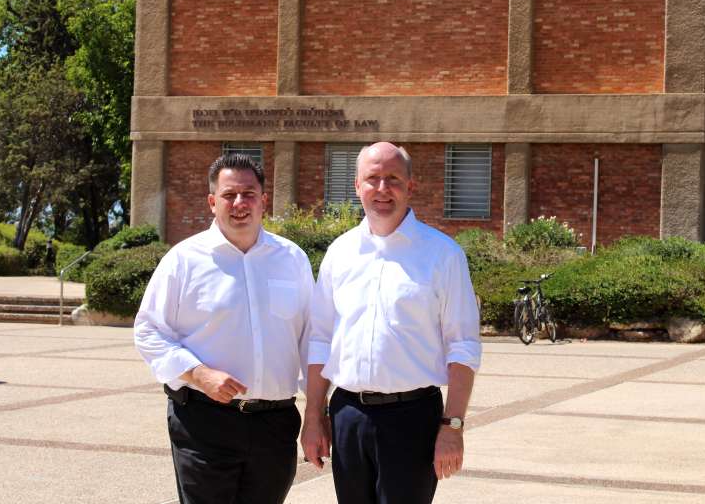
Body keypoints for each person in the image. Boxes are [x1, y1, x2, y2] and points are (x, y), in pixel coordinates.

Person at [301, 142, 482, 504]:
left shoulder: (442, 254)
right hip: (347, 414)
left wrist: (453, 426)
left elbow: (463, 345)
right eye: (372, 179)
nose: (382, 189)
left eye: (393, 179)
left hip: (412, 419)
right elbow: (321, 339)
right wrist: (313, 416)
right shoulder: (340, 253)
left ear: (410, 186)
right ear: (357, 186)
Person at [134, 153, 314, 504]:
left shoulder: (292, 260)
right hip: (205, 421)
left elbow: (310, 339)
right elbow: (148, 331)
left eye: (248, 194)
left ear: (264, 200)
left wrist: (318, 412)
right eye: (229, 195)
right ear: (212, 201)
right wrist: (198, 374)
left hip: (275, 424)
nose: (239, 203)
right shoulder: (184, 259)